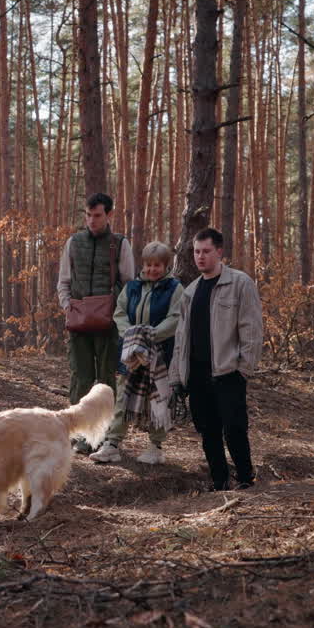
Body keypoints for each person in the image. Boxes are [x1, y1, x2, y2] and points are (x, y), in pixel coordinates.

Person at [171, 227, 263, 490]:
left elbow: (252, 329)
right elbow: (181, 340)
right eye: (197, 252)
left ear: (219, 252)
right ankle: (219, 481)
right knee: (208, 431)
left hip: (228, 372)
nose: (200, 257)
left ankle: (246, 478)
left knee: (234, 429)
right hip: (197, 374)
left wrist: (244, 368)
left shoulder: (240, 283)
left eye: (206, 251)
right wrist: (179, 377)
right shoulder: (189, 292)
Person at [91, 241, 183, 464]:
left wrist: (150, 335)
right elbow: (119, 313)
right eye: (149, 265)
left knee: (158, 399)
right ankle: (112, 444)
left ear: (166, 266)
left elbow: (175, 318)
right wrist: (132, 334)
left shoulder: (175, 288)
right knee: (123, 396)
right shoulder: (131, 287)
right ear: (143, 264)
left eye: (157, 266)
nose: (152, 270)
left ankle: (155, 447)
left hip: (160, 354)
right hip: (131, 353)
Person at [57, 192, 134, 454]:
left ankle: (102, 438)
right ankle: (79, 435)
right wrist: (67, 305)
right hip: (78, 323)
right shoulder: (73, 243)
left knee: (105, 382)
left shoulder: (120, 244)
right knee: (80, 377)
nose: (91, 220)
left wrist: (117, 314)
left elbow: (128, 284)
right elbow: (64, 281)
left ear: (109, 215)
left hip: (108, 325)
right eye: (88, 215)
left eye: (97, 215)